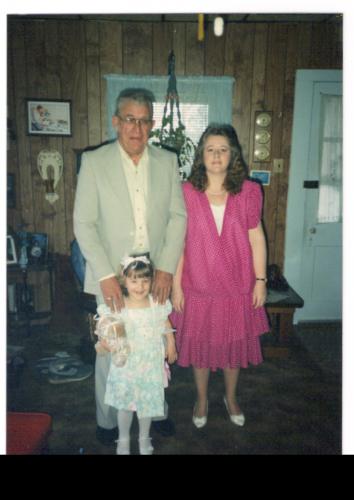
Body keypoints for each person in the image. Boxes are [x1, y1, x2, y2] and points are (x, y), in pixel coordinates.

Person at [73, 88, 186, 444]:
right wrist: (106, 275)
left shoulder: (167, 161)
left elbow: (177, 217)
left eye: (144, 121)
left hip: (154, 274)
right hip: (113, 276)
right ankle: (107, 422)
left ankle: (156, 412)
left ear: (152, 125)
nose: (137, 128)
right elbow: (84, 223)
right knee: (113, 349)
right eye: (129, 120)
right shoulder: (94, 162)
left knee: (153, 346)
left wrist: (167, 267)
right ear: (116, 122)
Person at [170, 123, 269, 429]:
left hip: (237, 287)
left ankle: (231, 397)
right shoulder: (186, 192)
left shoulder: (250, 191)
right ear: (201, 155)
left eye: (222, 149)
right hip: (197, 287)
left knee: (231, 350)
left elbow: (257, 237)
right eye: (210, 149)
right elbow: (178, 243)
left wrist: (261, 280)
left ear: (232, 155)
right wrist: (176, 287)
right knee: (200, 348)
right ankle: (201, 399)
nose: (216, 155)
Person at [94, 256, 177, 455]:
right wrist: (105, 341)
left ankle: (144, 437)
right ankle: (123, 438)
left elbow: (165, 325)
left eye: (145, 281)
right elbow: (107, 327)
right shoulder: (118, 305)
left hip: (149, 363)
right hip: (127, 365)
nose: (140, 286)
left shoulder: (156, 304)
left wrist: (171, 345)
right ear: (124, 281)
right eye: (134, 281)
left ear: (151, 282)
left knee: (146, 404)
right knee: (125, 405)